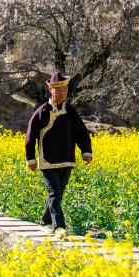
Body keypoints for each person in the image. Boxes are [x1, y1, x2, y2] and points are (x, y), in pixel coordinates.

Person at [24, 72, 93, 231]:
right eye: (59, 90)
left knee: (58, 194)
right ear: (50, 90)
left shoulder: (70, 111)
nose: (62, 93)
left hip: (67, 159)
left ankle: (46, 220)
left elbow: (81, 132)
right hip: (48, 161)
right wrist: (30, 159)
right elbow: (30, 136)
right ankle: (59, 226)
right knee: (54, 192)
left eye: (65, 90)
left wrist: (86, 151)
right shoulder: (41, 111)